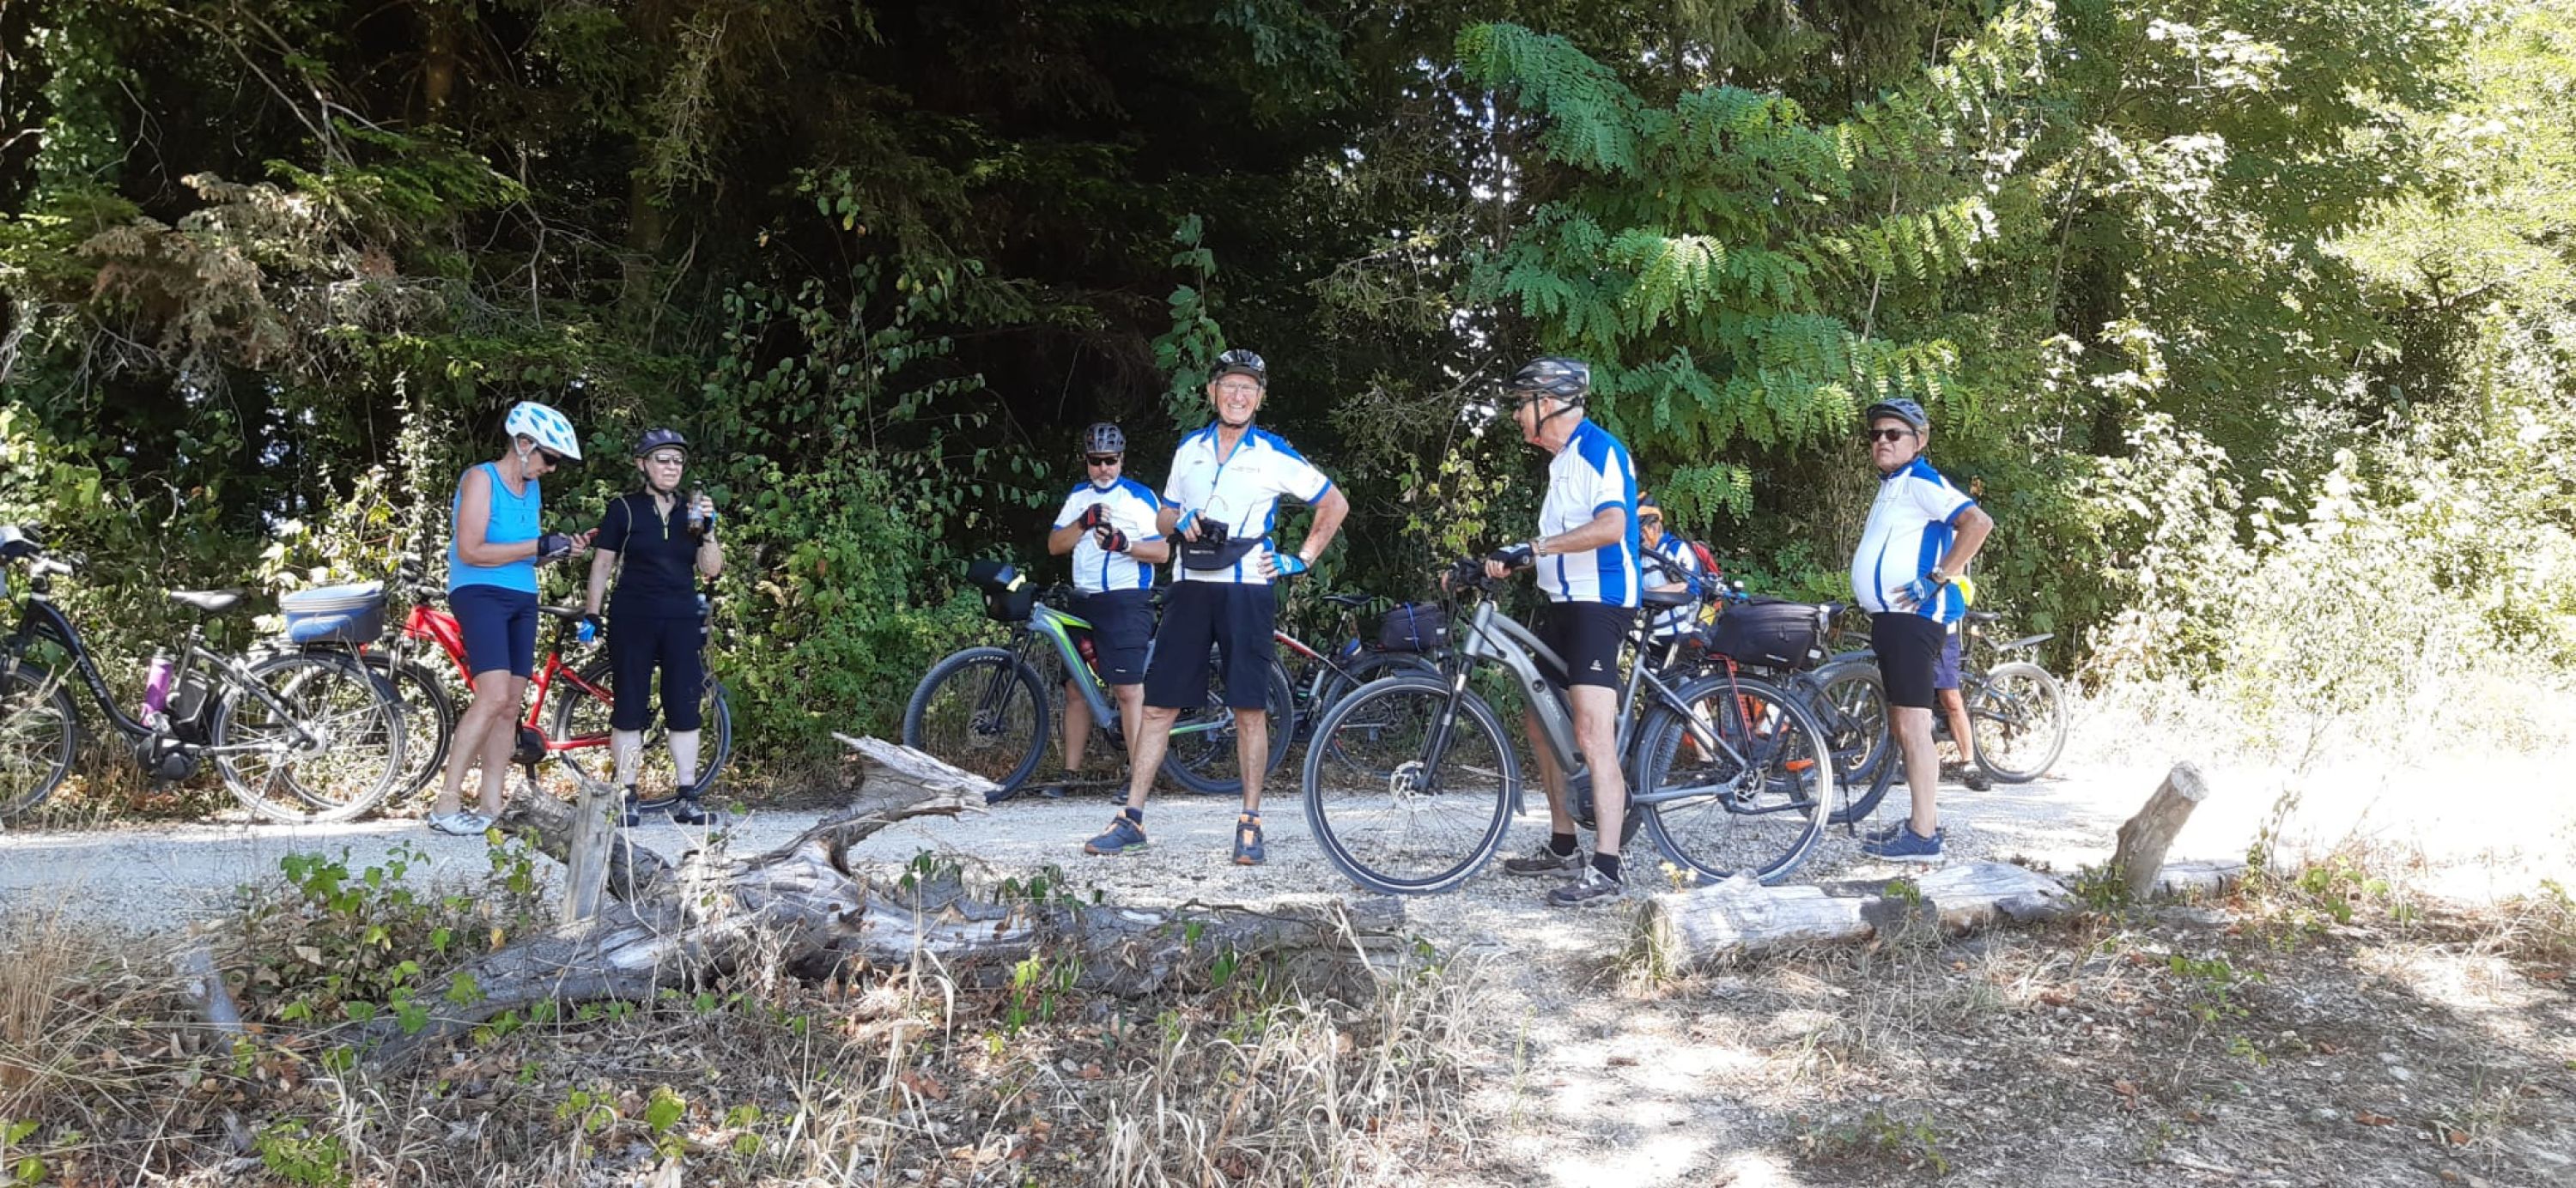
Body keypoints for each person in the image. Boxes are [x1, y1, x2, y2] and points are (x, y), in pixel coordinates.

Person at [1084, 349, 1348, 864]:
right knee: (1158, 706)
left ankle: (1250, 823)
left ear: (1260, 398)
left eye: (1248, 387)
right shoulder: (1190, 449)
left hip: (1246, 588)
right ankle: (1131, 819)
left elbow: (1333, 502)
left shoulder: (1272, 453)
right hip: (1189, 586)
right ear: (1212, 392)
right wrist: (1178, 521)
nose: (1238, 395)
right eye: (1229, 385)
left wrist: (1301, 559)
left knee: (1249, 708)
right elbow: (1163, 516)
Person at [1472, 356, 1642, 908]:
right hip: (1563, 602)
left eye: (1521, 405)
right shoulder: (1561, 462)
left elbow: (1612, 526)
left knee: (1592, 733)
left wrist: (1537, 547)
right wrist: (1512, 556)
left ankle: (1608, 867)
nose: (1517, 415)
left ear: (1548, 404)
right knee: (1540, 721)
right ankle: (1564, 843)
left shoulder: (1599, 450)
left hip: (1600, 603)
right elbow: (1560, 540)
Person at [428, 401, 592, 835]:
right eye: (549, 458)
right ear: (522, 444)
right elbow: (472, 551)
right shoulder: (480, 479)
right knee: (492, 696)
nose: (551, 469)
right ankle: (446, 803)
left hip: (522, 594)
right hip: (479, 591)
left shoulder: (531, 488)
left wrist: (556, 550)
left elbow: (525, 555)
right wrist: (537, 545)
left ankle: (491, 806)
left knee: (510, 706)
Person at [1850, 397, 1994, 861]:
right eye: (1876, 434)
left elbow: (1978, 523)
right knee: (1905, 722)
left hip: (1914, 620)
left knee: (1913, 724)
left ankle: (1924, 833)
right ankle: (1919, 821)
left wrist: (1938, 577)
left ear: (1920, 440)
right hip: (1893, 620)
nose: (1882, 441)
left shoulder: (1921, 481)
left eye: (1894, 434)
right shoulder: (1894, 486)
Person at [580, 427, 725, 826]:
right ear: (642, 465)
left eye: (678, 461)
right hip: (633, 615)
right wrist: (592, 613)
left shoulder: (691, 511)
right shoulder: (624, 509)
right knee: (629, 704)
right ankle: (627, 795)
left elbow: (711, 570)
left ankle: (687, 795)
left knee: (684, 704)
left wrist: (710, 531)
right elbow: (603, 564)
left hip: (681, 616)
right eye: (663, 460)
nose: (672, 467)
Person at [1038, 422, 1170, 799]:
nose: (1103, 469)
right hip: (1083, 602)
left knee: (1128, 689)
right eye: (1096, 461)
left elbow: (1162, 552)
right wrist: (1084, 522)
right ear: (1086, 461)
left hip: (1126, 600)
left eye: (1110, 461)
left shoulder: (1139, 497)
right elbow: (1055, 545)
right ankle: (1070, 774)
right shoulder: (1078, 497)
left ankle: (1138, 779)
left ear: (1121, 459)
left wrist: (1124, 545)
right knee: (1076, 688)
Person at [1931, 574, 1992, 792]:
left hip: (1942, 632)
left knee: (1951, 698)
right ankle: (1904, 761)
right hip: (1913, 630)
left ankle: (1969, 763)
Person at [1637, 492, 1704, 645]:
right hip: (1650, 633)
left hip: (1680, 633)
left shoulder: (1676, 549)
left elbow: (1690, 587)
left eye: (1642, 531)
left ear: (1655, 526)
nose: (1640, 537)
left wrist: (1647, 595)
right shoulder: (1640, 555)